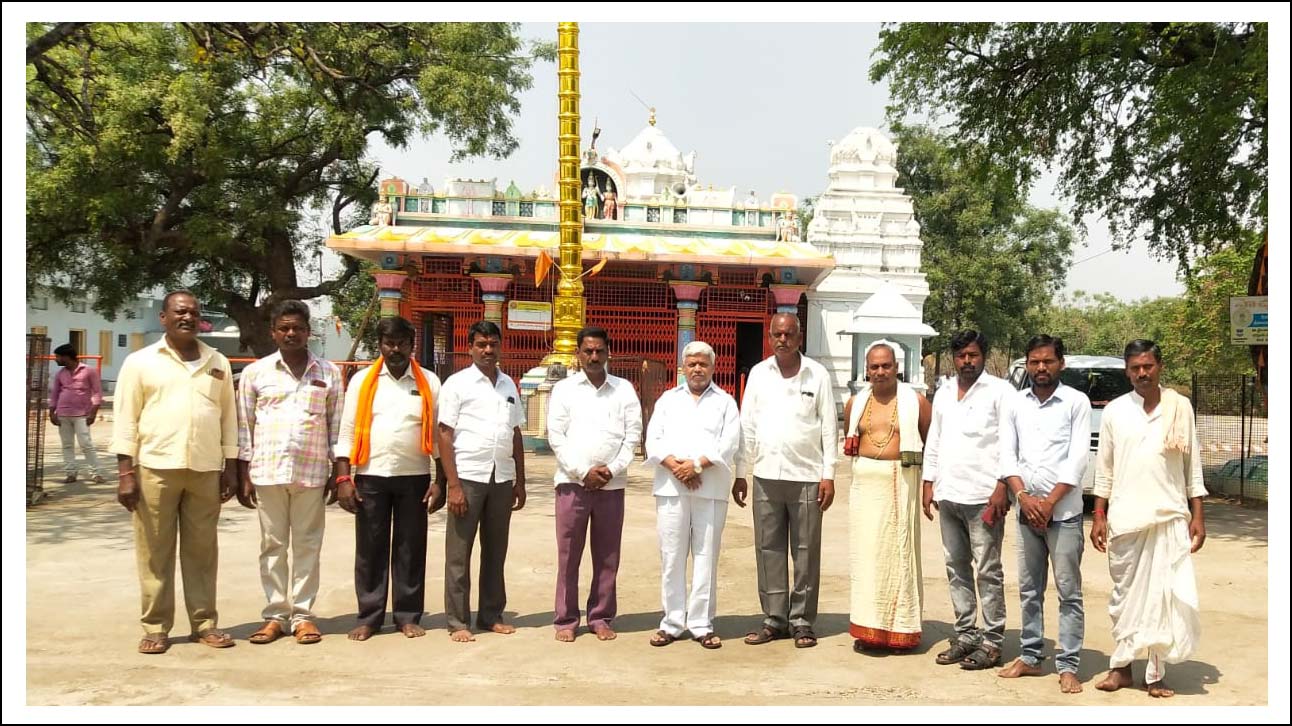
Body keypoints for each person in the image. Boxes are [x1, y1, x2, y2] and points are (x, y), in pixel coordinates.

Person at [111, 290, 239, 654]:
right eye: (180, 312)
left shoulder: (217, 361)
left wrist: (230, 466)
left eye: (194, 312)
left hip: (204, 469)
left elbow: (228, 418)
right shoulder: (140, 362)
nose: (188, 317)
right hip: (155, 467)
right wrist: (125, 473)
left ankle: (205, 623)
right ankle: (155, 627)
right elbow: (125, 418)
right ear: (164, 318)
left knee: (202, 552)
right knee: (155, 552)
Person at [1092, 339, 1206, 698]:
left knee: (1162, 598)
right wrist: (1098, 513)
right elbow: (1104, 468)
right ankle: (1121, 668)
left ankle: (1155, 675)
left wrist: (1198, 515)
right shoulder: (1115, 411)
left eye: (1148, 366)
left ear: (1159, 367)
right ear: (1127, 372)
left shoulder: (1179, 407)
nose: (1142, 373)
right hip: (1125, 518)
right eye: (1135, 368)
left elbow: (1192, 465)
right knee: (1124, 598)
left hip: (1169, 516)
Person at [235, 300, 344, 646]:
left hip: (312, 471)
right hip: (267, 471)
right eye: (284, 328)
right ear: (273, 332)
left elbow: (336, 427)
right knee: (273, 545)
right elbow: (244, 426)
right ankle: (275, 615)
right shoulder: (256, 373)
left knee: (308, 545)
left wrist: (338, 472)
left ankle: (303, 616)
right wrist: (243, 472)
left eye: (298, 328)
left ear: (308, 332)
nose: (291, 333)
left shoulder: (329, 373)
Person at [334, 316, 443, 641]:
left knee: (411, 549)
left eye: (401, 343)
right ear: (380, 345)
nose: (395, 349)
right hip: (371, 477)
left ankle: (407, 616)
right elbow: (347, 430)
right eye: (389, 343)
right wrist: (343, 478)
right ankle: (369, 617)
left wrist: (440, 481)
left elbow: (438, 436)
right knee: (370, 550)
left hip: (414, 477)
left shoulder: (429, 382)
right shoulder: (362, 381)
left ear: (412, 345)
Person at [733, 312, 837, 649]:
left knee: (806, 552)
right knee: (768, 549)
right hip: (766, 474)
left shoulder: (817, 374)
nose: (783, 340)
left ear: (799, 337)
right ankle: (774, 619)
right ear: (769, 338)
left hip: (807, 476)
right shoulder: (759, 375)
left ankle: (802, 621)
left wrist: (829, 474)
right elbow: (747, 425)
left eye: (789, 334)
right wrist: (741, 472)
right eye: (777, 334)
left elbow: (829, 428)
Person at [997, 335, 1091, 693]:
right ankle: (1031, 656)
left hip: (1063, 514)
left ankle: (1068, 665)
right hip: (1026, 512)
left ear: (1060, 364)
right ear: (1027, 364)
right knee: (1029, 589)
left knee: (1069, 592)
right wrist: (1023, 497)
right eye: (1034, 361)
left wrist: (1049, 503)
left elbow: (1078, 458)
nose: (1040, 368)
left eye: (1048, 361)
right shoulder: (1015, 403)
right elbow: (1007, 455)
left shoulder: (1076, 402)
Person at [922, 329, 1012, 670]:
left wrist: (1002, 485)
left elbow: (1010, 442)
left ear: (983, 356)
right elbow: (935, 439)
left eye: (973, 355)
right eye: (961, 356)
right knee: (956, 567)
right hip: (949, 494)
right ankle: (966, 634)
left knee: (988, 570)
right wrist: (929, 481)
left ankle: (992, 641)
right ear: (953, 358)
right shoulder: (944, 392)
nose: (967, 361)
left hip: (984, 497)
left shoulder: (1001, 392)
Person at [547, 326, 642, 642]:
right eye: (588, 351)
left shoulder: (624, 390)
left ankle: (600, 616)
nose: (594, 356)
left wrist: (611, 470)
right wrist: (582, 472)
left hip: (611, 486)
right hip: (572, 484)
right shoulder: (564, 390)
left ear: (608, 352)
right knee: (568, 555)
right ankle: (566, 619)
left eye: (599, 351)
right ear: (578, 354)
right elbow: (556, 437)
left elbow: (633, 436)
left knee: (607, 556)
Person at [644, 341, 741, 649]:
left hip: (710, 488)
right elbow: (653, 439)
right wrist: (676, 467)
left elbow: (729, 442)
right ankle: (672, 622)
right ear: (683, 367)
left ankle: (701, 623)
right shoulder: (668, 400)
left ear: (713, 367)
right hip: (671, 487)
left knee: (706, 556)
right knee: (671, 555)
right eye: (692, 364)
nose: (697, 369)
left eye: (703, 364)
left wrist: (697, 465)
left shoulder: (725, 402)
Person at [436, 320, 527, 643]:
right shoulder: (457, 384)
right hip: (468, 476)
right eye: (481, 345)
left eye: (493, 344)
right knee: (459, 553)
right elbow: (444, 434)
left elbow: (515, 433)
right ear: (470, 348)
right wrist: (453, 485)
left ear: (500, 347)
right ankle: (458, 621)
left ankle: (491, 615)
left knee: (495, 551)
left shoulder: (508, 384)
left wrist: (520, 480)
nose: (488, 350)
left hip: (501, 477)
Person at [843, 341, 930, 653]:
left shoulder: (916, 402)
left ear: (897, 368)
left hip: (899, 486)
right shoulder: (855, 404)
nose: (880, 372)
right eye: (874, 367)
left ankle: (901, 631)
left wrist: (929, 485)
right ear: (866, 370)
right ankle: (869, 631)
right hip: (864, 489)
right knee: (866, 560)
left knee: (900, 558)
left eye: (886, 366)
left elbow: (930, 445)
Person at [49, 343, 104, 484]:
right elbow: (54, 394)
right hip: (63, 414)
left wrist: (93, 413)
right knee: (67, 445)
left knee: (86, 444)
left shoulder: (89, 371)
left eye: (58, 357)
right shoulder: (60, 374)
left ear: (67, 357)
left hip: (82, 414)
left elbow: (97, 392)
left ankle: (96, 473)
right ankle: (71, 473)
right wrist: (51, 412)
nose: (56, 359)